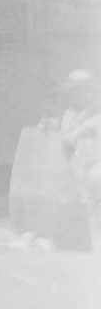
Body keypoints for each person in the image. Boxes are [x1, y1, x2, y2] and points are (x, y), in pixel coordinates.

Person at [59, 69, 101, 252]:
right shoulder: (70, 115)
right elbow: (66, 141)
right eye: (76, 91)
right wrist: (81, 129)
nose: (80, 95)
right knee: (94, 211)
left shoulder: (96, 113)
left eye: (84, 90)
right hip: (86, 169)